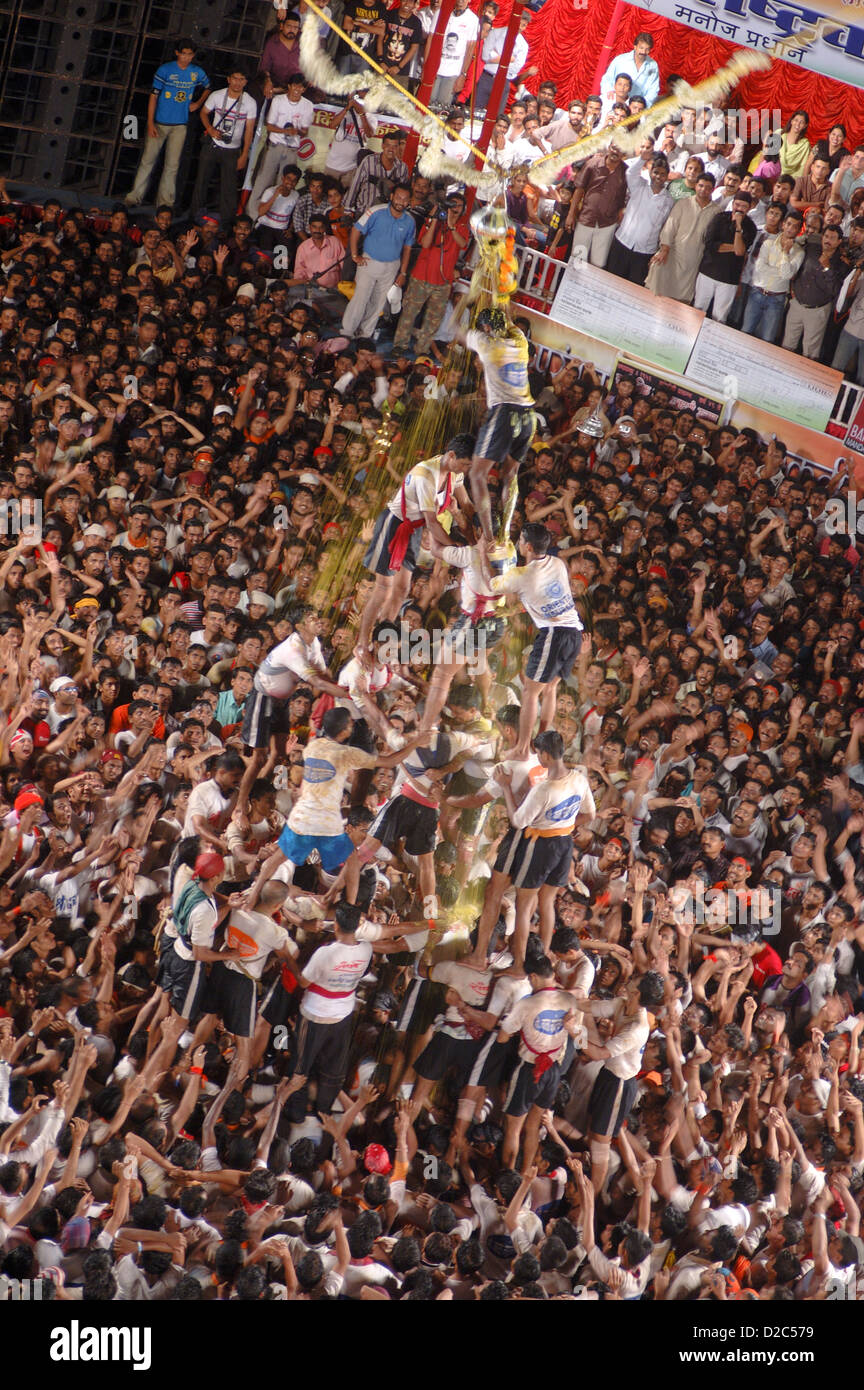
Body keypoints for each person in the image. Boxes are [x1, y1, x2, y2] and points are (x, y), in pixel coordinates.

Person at [356, 435, 475, 659]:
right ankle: (362, 643)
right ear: (452, 456)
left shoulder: (454, 472)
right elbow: (432, 522)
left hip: (413, 528)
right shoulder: (425, 475)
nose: (466, 470)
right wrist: (455, 550)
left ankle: (383, 637)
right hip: (394, 524)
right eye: (465, 464)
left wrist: (480, 530)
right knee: (383, 588)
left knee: (401, 589)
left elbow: (467, 504)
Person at [480, 522, 584, 758]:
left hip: (554, 634)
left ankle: (523, 748)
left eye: (519, 541)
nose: (518, 544)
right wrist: (513, 611)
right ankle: (543, 741)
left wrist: (482, 554)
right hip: (574, 633)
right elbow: (541, 598)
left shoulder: (523, 575)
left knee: (529, 692)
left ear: (527, 546)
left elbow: (491, 584)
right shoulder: (557, 563)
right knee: (549, 688)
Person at [457, 307, 536, 544]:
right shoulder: (519, 339)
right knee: (509, 476)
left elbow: (457, 332)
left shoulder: (485, 342)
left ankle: (489, 536)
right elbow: (508, 319)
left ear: (487, 328)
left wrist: (464, 303)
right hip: (528, 416)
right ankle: (504, 533)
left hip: (504, 412)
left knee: (477, 474)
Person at [125, 40, 210, 212]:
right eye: (184, 53)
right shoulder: (165, 70)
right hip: (160, 122)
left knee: (172, 165)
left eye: (190, 55)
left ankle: (165, 202)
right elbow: (153, 96)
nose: (186, 58)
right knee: (147, 161)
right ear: (177, 53)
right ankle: (134, 196)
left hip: (180, 125)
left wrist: (198, 103)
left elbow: (208, 87)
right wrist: (150, 122)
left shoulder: (197, 72)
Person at [391, 193, 468, 359]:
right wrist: (434, 220)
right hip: (421, 277)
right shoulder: (433, 221)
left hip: (443, 281)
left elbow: (462, 244)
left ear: (463, 210)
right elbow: (425, 243)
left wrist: (451, 225)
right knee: (409, 313)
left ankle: (422, 349)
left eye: (459, 206)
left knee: (433, 319)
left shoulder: (462, 226)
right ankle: (400, 345)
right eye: (452, 204)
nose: (455, 208)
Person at [341, 184, 416, 340]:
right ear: (391, 197)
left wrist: (402, 272)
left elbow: (407, 248)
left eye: (405, 199)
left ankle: (365, 334)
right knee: (360, 299)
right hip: (369, 262)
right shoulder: (375, 211)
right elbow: (356, 230)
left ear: (409, 202)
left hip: (392, 266)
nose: (400, 202)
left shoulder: (410, 221)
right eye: (398, 197)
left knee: (378, 302)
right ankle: (347, 332)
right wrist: (355, 256)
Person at [189, 68, 257, 227]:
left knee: (229, 189)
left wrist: (244, 154)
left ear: (245, 82)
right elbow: (203, 113)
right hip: (213, 145)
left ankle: (226, 225)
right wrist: (211, 129)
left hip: (233, 150)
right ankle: (194, 220)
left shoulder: (250, 102)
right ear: (228, 79)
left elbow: (249, 130)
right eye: (235, 78)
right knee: (201, 183)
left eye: (241, 79)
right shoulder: (217, 95)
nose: (237, 82)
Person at [246, 75, 314, 219]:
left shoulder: (308, 105)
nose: (297, 89)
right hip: (275, 146)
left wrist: (298, 131)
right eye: (295, 85)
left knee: (285, 186)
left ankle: (274, 219)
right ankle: (252, 217)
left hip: (292, 150)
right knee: (262, 181)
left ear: (304, 89)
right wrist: (285, 131)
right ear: (289, 86)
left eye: (301, 87)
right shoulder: (278, 100)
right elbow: (269, 126)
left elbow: (305, 131)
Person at [645, 170, 718, 303]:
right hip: (672, 253)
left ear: (713, 190)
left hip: (694, 260)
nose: (703, 190)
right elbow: (670, 227)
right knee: (656, 287)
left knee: (680, 300)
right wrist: (664, 250)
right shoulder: (683, 203)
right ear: (696, 186)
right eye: (701, 185)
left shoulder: (716, 211)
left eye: (708, 187)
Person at [692, 189, 757, 323]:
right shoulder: (720, 218)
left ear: (750, 207)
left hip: (729, 278)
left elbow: (740, 253)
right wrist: (735, 247)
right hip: (708, 272)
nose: (739, 209)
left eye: (744, 206)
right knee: (697, 309)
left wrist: (738, 226)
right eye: (737, 205)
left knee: (720, 317)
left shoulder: (750, 227)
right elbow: (711, 245)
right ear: (733, 204)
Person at [600, 32, 660, 108]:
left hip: (638, 108)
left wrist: (642, 106)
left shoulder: (653, 65)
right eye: (641, 48)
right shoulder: (620, 59)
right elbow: (607, 79)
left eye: (647, 49)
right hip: (615, 103)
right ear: (635, 47)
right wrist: (609, 92)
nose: (643, 52)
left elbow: (653, 90)